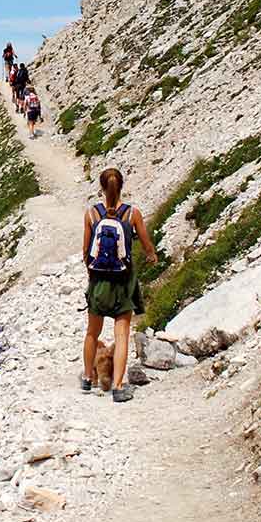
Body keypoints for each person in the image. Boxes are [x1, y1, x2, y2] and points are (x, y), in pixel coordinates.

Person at [81, 168, 158, 402]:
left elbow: (86, 251)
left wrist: (92, 273)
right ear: (121, 186)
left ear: (102, 188)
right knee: (122, 334)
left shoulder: (92, 214)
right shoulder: (132, 213)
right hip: (123, 282)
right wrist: (152, 256)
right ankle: (118, 386)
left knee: (93, 332)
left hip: (98, 282)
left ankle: (87, 378)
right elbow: (146, 244)